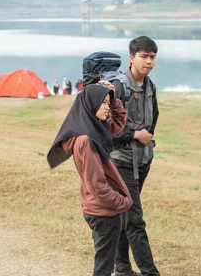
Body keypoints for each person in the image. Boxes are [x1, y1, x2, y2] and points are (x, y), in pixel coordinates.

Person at [47, 82, 132, 276]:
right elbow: (98, 185)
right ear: (90, 104)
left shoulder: (92, 130)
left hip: (96, 208)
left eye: (107, 102)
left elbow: (118, 123)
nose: (107, 107)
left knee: (104, 263)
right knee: (103, 268)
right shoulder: (86, 140)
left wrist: (113, 96)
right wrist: (122, 202)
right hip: (104, 212)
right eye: (102, 102)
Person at [111, 36, 160, 276]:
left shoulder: (150, 86)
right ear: (131, 57)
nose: (149, 62)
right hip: (119, 162)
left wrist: (145, 140)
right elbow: (106, 129)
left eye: (152, 57)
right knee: (134, 220)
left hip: (142, 162)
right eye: (144, 56)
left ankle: (121, 267)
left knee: (124, 214)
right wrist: (135, 134)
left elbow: (153, 121)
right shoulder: (118, 87)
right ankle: (150, 272)